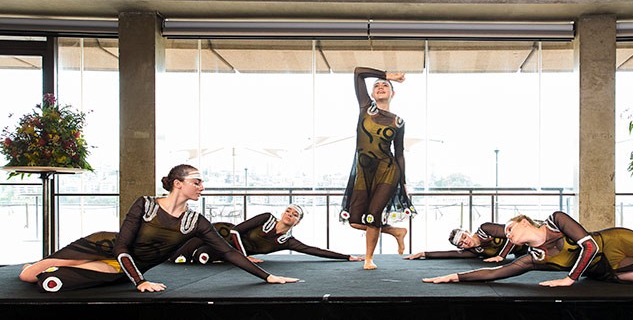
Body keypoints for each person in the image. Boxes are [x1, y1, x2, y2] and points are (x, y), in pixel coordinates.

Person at [18, 164, 299, 293]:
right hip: (105, 247)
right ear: (178, 183)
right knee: (29, 276)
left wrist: (267, 276)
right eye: (196, 182)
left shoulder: (196, 222)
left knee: (54, 280)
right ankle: (48, 264)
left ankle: (56, 270)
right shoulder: (145, 205)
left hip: (126, 267)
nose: (202, 187)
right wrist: (140, 282)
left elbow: (228, 253)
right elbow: (121, 246)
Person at [422, 211, 633, 287]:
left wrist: (570, 278)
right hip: (606, 270)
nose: (507, 233)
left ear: (523, 221)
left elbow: (589, 246)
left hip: (615, 241)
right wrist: (455, 277)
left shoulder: (556, 220)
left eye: (510, 228)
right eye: (506, 233)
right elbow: (497, 273)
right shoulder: (533, 259)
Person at [339, 66, 417, 270]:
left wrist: (404, 182)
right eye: (377, 85)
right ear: (372, 93)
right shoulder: (365, 107)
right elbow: (357, 72)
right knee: (355, 220)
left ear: (393, 93)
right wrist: (386, 75)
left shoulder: (398, 122)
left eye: (385, 86)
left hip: (388, 170)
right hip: (364, 173)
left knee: (373, 215)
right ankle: (395, 231)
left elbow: (399, 153)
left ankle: (368, 258)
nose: (381, 86)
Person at [171, 204, 364, 264]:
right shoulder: (266, 217)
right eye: (288, 211)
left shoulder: (286, 241)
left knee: (202, 258)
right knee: (179, 253)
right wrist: (244, 257)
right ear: (283, 213)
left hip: (227, 252)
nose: (290, 215)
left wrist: (347, 257)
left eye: (295, 215)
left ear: (298, 222)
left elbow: (313, 250)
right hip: (221, 234)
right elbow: (235, 231)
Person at [404, 222, 528, 263]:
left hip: (531, 238)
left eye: (464, 237)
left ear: (468, 232)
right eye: (461, 244)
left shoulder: (485, 229)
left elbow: (514, 234)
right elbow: (450, 254)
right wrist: (424, 253)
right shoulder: (474, 251)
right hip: (524, 252)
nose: (465, 242)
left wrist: (501, 256)